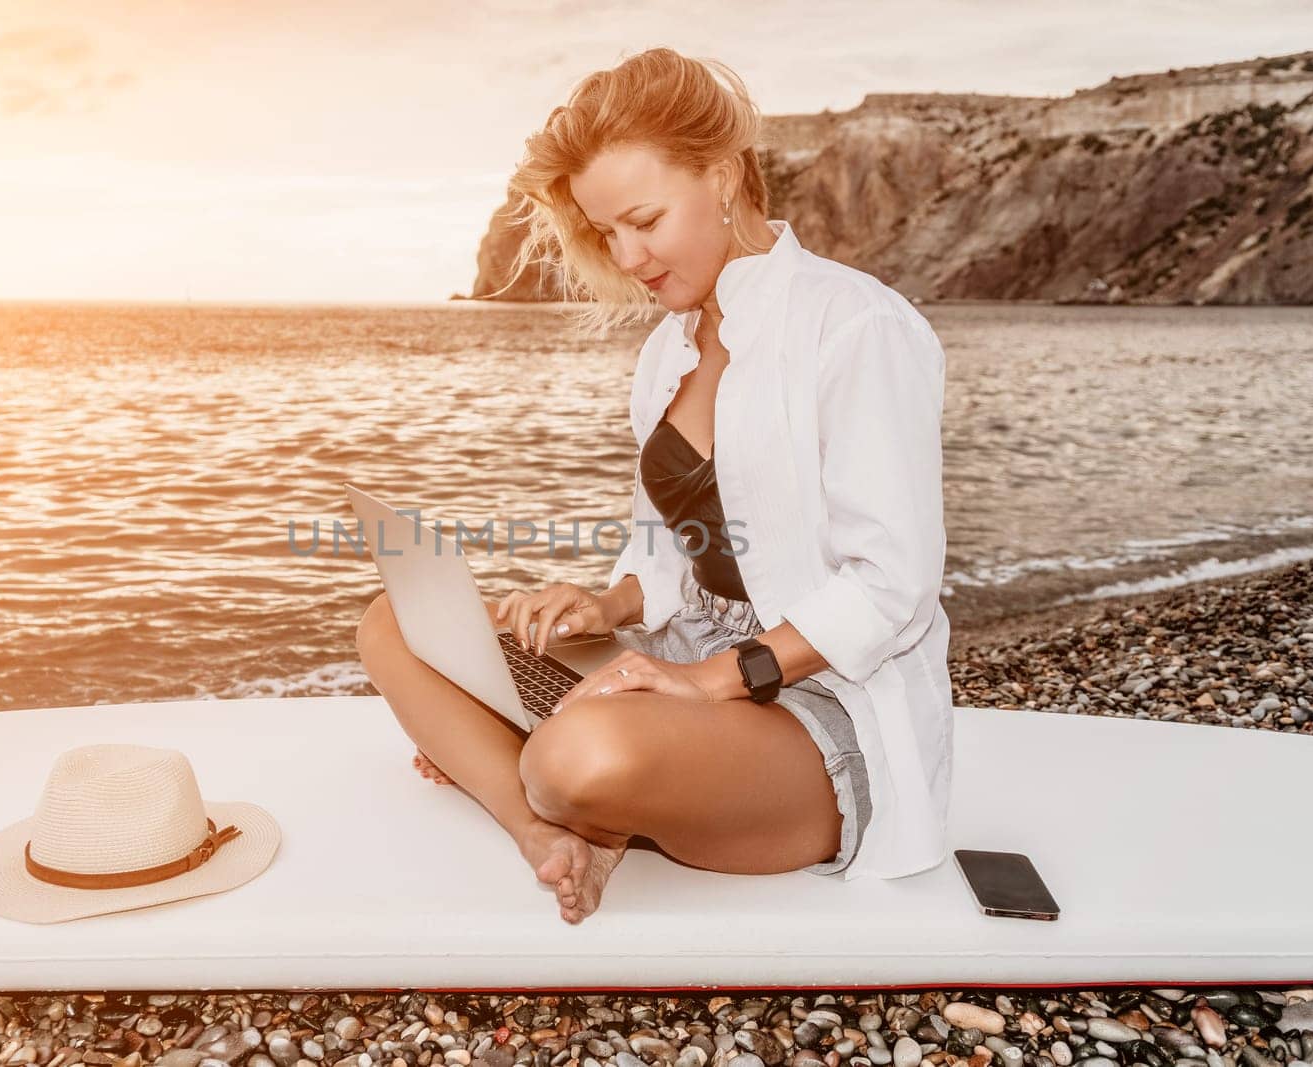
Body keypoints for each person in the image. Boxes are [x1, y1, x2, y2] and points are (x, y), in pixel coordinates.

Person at [356, 47, 953, 925]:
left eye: (644, 219)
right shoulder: (667, 349)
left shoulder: (855, 325)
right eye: (606, 233)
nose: (628, 255)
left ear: (719, 175)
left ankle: (562, 788)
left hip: (820, 708)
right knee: (393, 623)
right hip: (680, 672)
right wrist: (604, 605)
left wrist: (716, 679)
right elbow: (681, 555)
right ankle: (544, 833)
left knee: (574, 758)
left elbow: (892, 587)